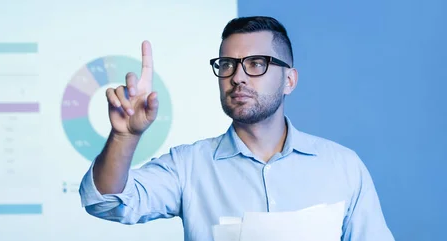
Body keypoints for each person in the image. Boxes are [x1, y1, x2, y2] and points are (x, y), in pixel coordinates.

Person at [78, 16, 394, 241]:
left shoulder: (342, 166)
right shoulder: (189, 166)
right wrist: (125, 136)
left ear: (289, 80)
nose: (238, 77)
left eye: (256, 63)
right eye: (227, 64)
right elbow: (105, 202)